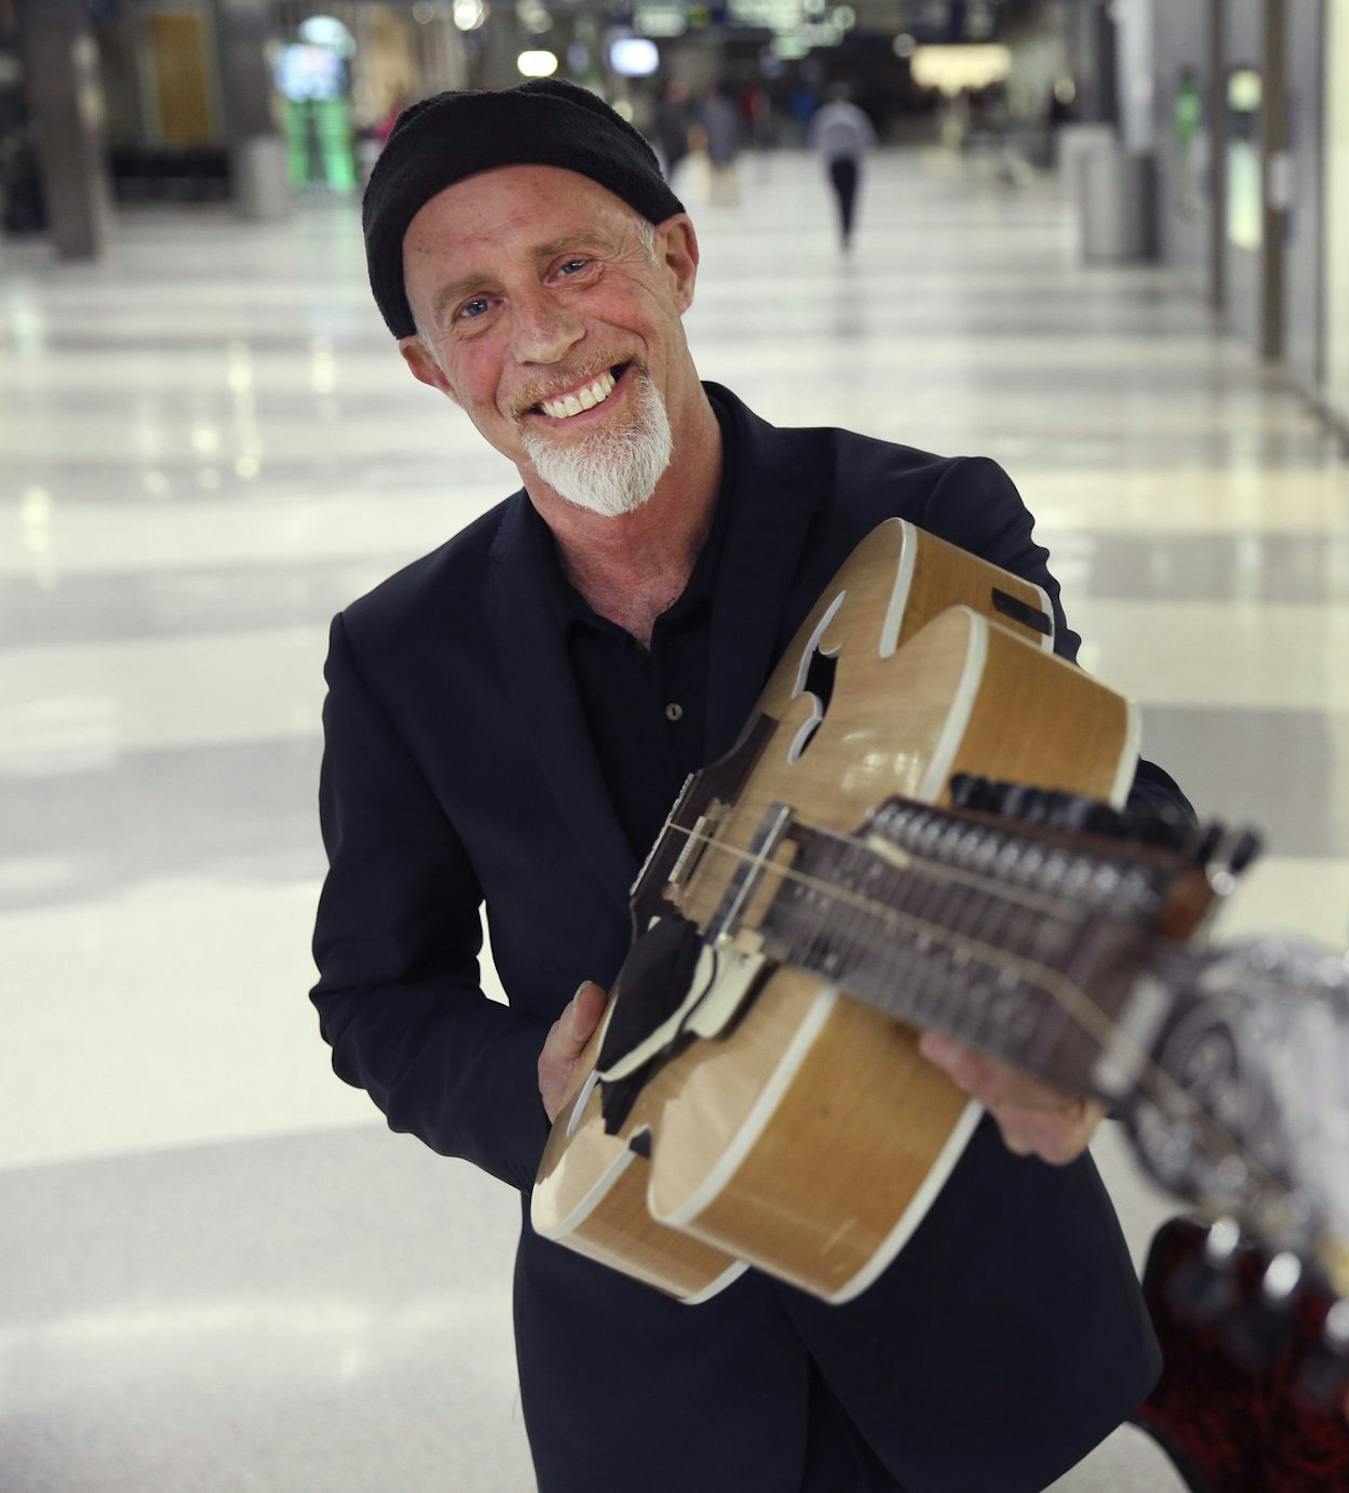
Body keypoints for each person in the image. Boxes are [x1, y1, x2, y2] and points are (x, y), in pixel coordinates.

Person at [322, 80, 1185, 1491]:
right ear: (429, 368)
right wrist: (529, 1089)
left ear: (678, 258)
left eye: (573, 264)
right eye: (471, 307)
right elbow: (373, 996)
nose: (541, 336)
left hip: (975, 1309)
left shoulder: (923, 523)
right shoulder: (399, 654)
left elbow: (1111, 801)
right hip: (653, 1369)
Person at [807, 83, 875, 249]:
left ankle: (843, 228)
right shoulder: (856, 115)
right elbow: (867, 139)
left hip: (834, 162)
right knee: (849, 198)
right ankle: (847, 228)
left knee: (839, 198)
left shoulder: (824, 116)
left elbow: (815, 140)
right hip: (849, 162)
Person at [696, 85, 742, 206]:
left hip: (715, 149)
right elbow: (734, 129)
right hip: (725, 148)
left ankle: (718, 198)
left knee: (719, 175)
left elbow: (702, 131)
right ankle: (730, 198)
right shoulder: (728, 109)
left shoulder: (706, 110)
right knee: (726, 174)